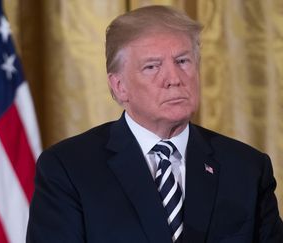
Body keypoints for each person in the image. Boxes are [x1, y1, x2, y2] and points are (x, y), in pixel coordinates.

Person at [26, 5, 283, 243]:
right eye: (152, 66)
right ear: (119, 86)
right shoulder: (68, 169)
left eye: (183, 61)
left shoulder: (247, 168)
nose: (174, 78)